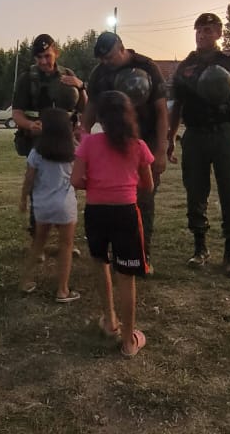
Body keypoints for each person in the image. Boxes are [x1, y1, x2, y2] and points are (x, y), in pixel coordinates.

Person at [166, 13, 230, 278]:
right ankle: (200, 248)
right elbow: (177, 106)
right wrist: (171, 138)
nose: (202, 35)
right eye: (198, 30)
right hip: (195, 135)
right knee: (195, 192)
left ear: (219, 33)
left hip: (224, 135)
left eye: (208, 30)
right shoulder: (186, 66)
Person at [72, 91, 154, 357]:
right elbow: (148, 185)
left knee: (101, 264)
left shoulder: (88, 144)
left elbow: (76, 180)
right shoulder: (139, 146)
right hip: (126, 212)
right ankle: (129, 342)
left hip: (96, 211)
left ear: (101, 118)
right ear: (129, 115)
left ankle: (110, 321)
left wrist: (96, 184)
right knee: (126, 276)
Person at [80, 32, 167, 268]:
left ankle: (141, 253)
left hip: (143, 143)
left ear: (122, 48)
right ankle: (110, 250)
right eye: (102, 59)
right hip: (111, 145)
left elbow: (161, 112)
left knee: (143, 200)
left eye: (109, 57)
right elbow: (91, 108)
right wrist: (83, 138)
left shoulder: (146, 66)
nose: (106, 63)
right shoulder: (99, 73)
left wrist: (161, 150)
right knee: (113, 199)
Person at [12, 33, 87, 255]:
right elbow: (16, 113)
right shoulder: (28, 79)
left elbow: (84, 108)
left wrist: (81, 86)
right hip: (38, 141)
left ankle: (66, 240)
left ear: (56, 52)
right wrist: (29, 125)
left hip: (65, 141)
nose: (44, 61)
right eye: (39, 58)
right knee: (39, 189)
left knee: (67, 187)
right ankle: (38, 241)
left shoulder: (68, 75)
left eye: (47, 55)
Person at [18, 108, 80, 302]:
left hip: (42, 205)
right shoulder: (74, 150)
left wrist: (23, 199)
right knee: (66, 246)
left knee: (38, 244)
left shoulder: (37, 152)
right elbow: (79, 177)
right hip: (65, 204)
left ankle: (26, 281)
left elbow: (29, 179)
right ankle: (62, 290)